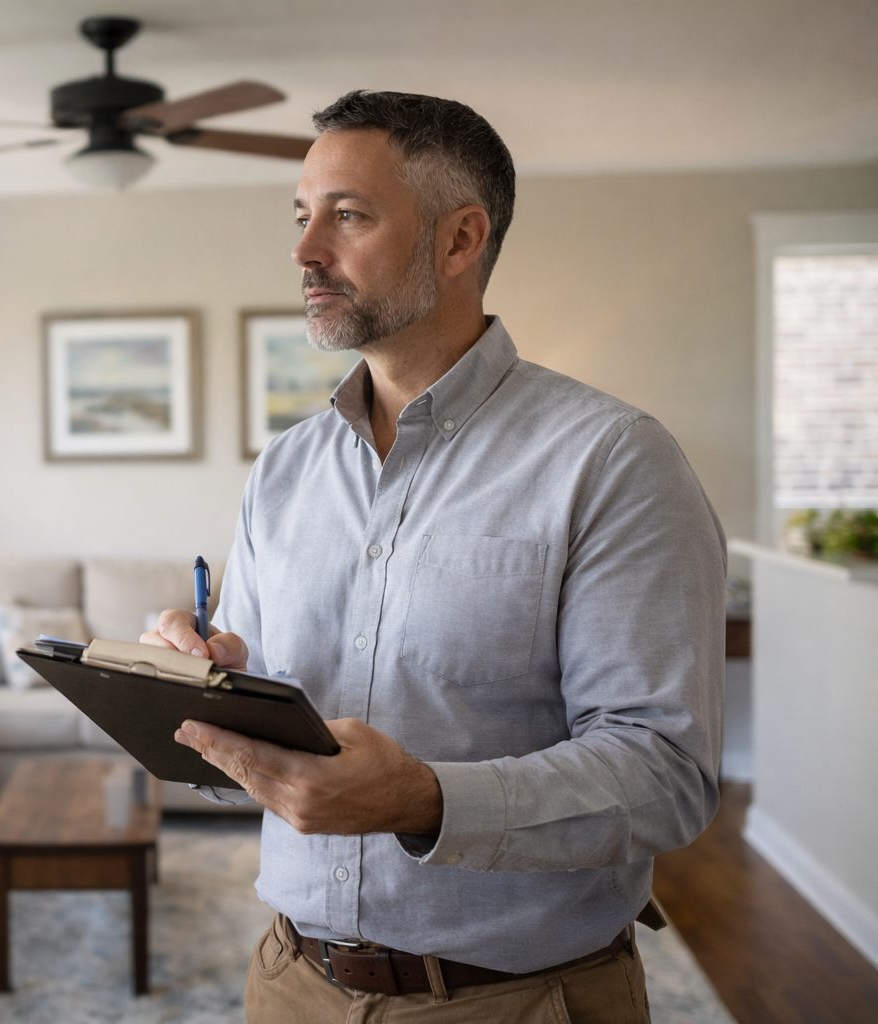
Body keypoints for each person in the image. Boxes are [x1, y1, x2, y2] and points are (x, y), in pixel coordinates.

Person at [141, 90, 724, 1023]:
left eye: (347, 216)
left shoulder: (612, 460)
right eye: (301, 216)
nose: (304, 252)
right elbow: (260, 744)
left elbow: (665, 776)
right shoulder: (284, 470)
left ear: (459, 241)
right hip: (287, 982)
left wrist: (423, 800)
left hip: (514, 1002)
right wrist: (196, 694)